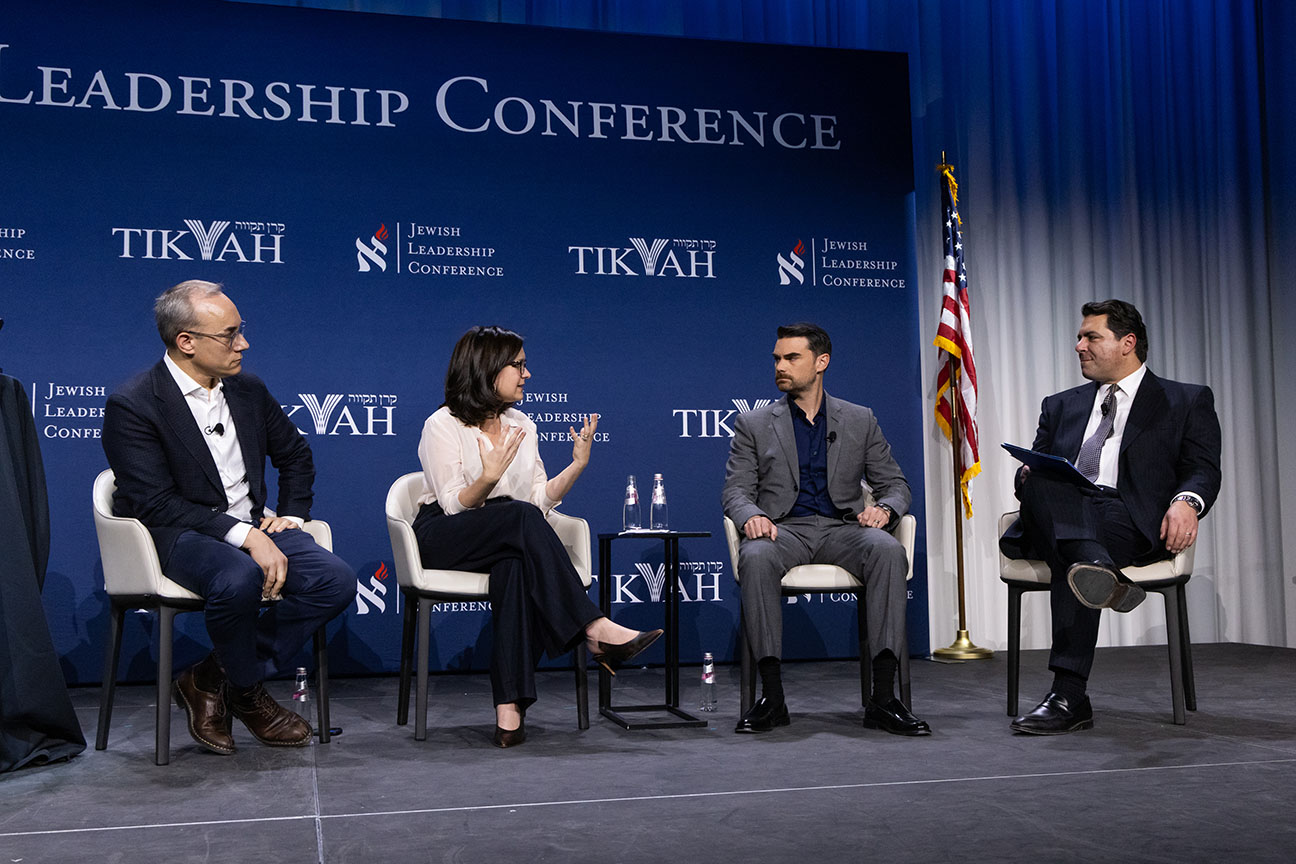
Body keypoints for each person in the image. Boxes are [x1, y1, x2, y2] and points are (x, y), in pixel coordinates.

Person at [102, 280, 355, 755]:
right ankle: (251, 696)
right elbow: (156, 503)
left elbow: (295, 454)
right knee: (238, 576)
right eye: (230, 334)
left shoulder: (248, 390)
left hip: (254, 524)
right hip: (178, 533)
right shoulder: (133, 404)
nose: (244, 344)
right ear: (186, 342)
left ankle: (213, 677)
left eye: (241, 330)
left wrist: (292, 516)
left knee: (334, 580)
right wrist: (245, 537)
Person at [414, 325, 661, 748]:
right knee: (519, 520)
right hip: (446, 534)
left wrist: (576, 467)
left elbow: (536, 499)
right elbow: (454, 504)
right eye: (519, 365)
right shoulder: (443, 423)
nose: (527, 375)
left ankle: (509, 708)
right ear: (488, 368)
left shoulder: (523, 424)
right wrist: (489, 477)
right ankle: (593, 627)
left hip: (507, 530)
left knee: (514, 564)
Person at [1000, 299, 1221, 734]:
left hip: (1128, 520)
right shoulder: (1059, 405)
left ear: (1127, 343)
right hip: (1062, 512)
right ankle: (1096, 571)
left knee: (1072, 552)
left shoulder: (1184, 399)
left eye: (1091, 337)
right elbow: (1029, 480)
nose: (1079, 346)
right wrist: (1026, 473)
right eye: (1079, 337)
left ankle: (1070, 694)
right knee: (1045, 482)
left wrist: (1187, 502)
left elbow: (1202, 467)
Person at [722, 322, 929, 736]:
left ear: (821, 362)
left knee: (888, 550)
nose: (780, 366)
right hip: (784, 531)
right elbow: (735, 491)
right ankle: (772, 699)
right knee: (756, 555)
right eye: (777, 359)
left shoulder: (859, 419)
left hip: (842, 529)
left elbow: (895, 484)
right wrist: (750, 516)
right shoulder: (754, 424)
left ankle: (883, 699)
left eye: (791, 358)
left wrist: (884, 509)